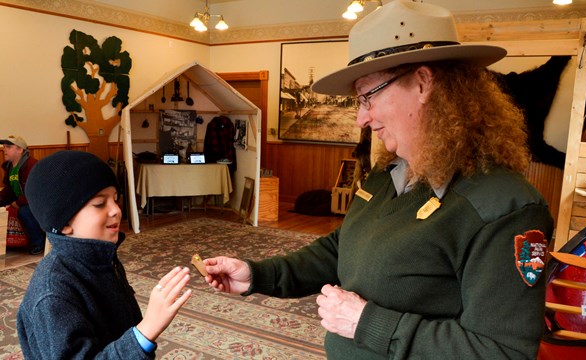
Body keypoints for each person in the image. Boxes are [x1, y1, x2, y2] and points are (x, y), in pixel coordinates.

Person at [203, 1, 554, 359]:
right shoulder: (388, 176)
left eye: (368, 97)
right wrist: (257, 275)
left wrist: (366, 323)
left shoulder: (505, 209)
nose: (361, 119)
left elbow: (502, 352)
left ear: (422, 83)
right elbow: (343, 248)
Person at [17, 150, 192, 359]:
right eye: (100, 204)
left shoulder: (101, 258)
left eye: (115, 199)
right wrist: (145, 332)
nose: (116, 210)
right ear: (64, 223)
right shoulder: (53, 293)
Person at [0, 135, 46, 254]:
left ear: (20, 150)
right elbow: (10, 188)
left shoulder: (31, 165)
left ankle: (39, 243)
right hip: (26, 200)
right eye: (3, 146)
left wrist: (18, 203)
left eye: (9, 147)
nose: (4, 149)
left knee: (24, 211)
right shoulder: (10, 167)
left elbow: (35, 191)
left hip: (40, 201)